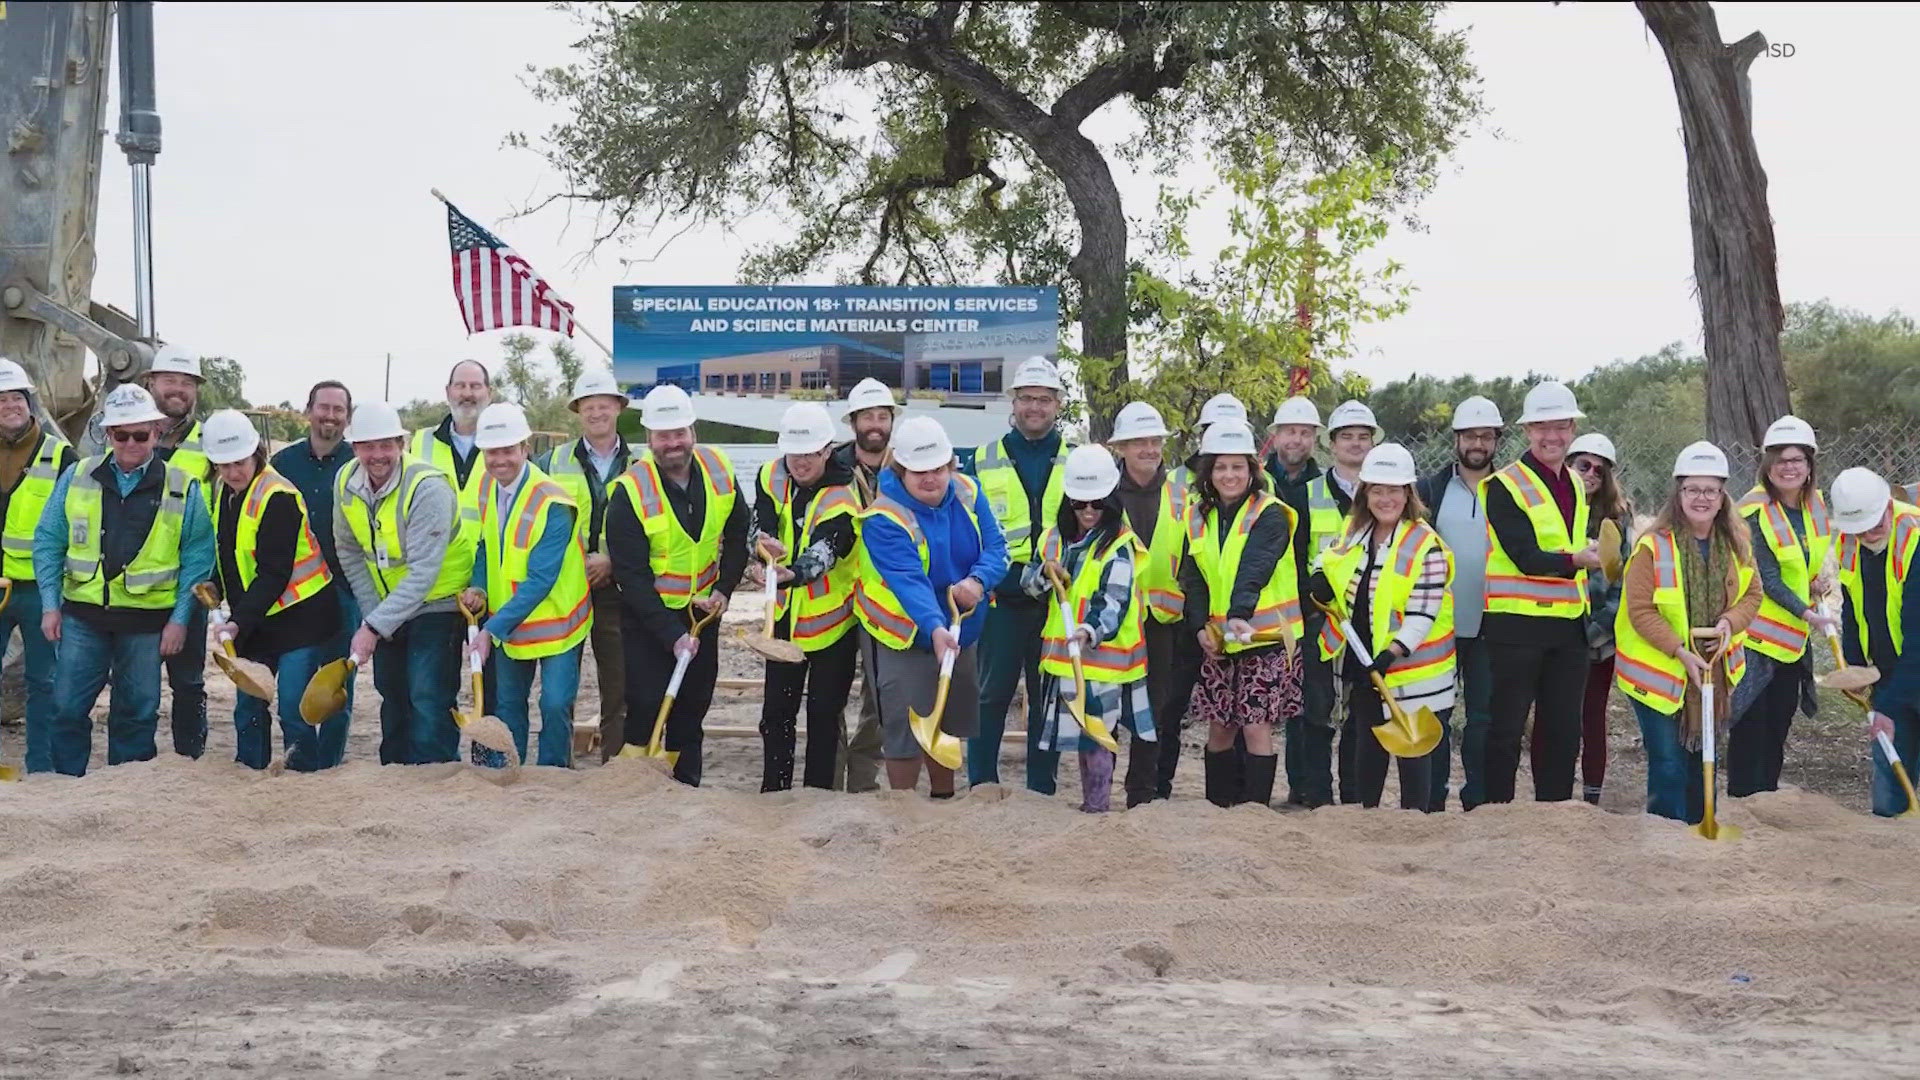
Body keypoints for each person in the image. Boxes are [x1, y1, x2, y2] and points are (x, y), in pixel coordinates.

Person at [35, 384, 213, 776]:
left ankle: (127, 791)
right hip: (83, 618)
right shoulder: (77, 475)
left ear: (157, 431)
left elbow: (198, 558)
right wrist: (50, 604)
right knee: (66, 708)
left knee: (136, 713)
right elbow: (48, 540)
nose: (131, 443)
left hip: (147, 624)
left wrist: (180, 619)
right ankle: (66, 787)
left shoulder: (182, 486)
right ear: (108, 434)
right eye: (121, 434)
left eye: (141, 434)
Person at [857, 416, 1007, 798]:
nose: (931, 479)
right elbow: (909, 582)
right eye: (919, 471)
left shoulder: (969, 492)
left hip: (961, 627)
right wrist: (934, 626)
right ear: (901, 470)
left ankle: (942, 802)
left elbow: (996, 548)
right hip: (903, 633)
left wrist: (977, 581)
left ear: (951, 465)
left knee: (950, 720)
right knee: (904, 724)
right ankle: (904, 807)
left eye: (939, 469)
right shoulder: (883, 518)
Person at [606, 384, 747, 786]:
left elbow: (738, 535)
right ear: (649, 438)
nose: (673, 443)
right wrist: (671, 635)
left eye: (679, 433)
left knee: (691, 707)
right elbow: (630, 577)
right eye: (663, 435)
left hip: (702, 612)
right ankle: (636, 785)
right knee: (646, 702)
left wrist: (725, 589)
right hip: (647, 619)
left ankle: (687, 789)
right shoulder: (629, 492)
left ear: (693, 431)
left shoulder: (719, 469)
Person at [1612, 442, 1760, 823]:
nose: (1701, 498)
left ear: (1722, 495)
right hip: (1660, 674)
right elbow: (1640, 609)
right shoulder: (1652, 546)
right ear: (1677, 494)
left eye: (1710, 490)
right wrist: (1680, 652)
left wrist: (1729, 622)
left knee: (1702, 757)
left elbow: (1753, 594)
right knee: (1669, 762)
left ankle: (1700, 830)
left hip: (1712, 670)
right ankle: (1666, 836)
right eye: (1692, 489)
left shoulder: (1736, 543)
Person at [1479, 381, 1604, 806]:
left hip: (1567, 628)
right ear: (1527, 431)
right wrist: (1578, 560)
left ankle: (1552, 813)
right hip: (1515, 627)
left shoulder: (1575, 482)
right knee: (1506, 729)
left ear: (1573, 430)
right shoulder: (1503, 485)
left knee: (1563, 730)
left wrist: (1585, 557)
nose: (1552, 436)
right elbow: (1524, 556)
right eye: (1542, 427)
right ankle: (1496, 812)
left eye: (1561, 426)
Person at [1309, 444, 1453, 811]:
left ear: (1408, 494)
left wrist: (1391, 654)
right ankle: (1367, 818)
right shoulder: (1355, 530)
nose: (1385, 498)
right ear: (1365, 493)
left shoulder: (1426, 545)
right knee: (1368, 741)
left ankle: (1414, 821)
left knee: (1412, 751)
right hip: (1362, 658)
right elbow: (1325, 560)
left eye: (1394, 490)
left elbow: (1424, 613)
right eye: (1377, 490)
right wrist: (1318, 577)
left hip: (1412, 669)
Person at [333, 401, 476, 765]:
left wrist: (374, 626)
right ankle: (394, 774)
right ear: (354, 448)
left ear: (402, 444)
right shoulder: (346, 482)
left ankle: (435, 773)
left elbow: (424, 573)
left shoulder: (427, 488)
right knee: (392, 692)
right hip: (389, 607)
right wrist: (374, 616)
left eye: (386, 445)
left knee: (427, 695)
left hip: (438, 601)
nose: (377, 455)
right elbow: (350, 553)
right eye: (368, 446)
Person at [201, 410, 344, 771]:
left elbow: (275, 571)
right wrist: (215, 584)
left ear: (256, 453)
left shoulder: (277, 495)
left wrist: (237, 622)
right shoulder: (226, 491)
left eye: (239, 463)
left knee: (294, 705)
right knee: (249, 702)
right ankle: (249, 770)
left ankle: (302, 774)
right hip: (257, 617)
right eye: (223, 465)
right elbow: (230, 551)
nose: (233, 472)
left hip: (301, 616)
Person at [962, 356, 1073, 794]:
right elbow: (969, 528)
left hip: (1055, 598)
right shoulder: (985, 458)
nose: (1035, 407)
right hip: (1000, 599)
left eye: (1044, 399)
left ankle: (1041, 789)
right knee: (991, 695)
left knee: (1048, 697)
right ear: (1013, 401)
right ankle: (982, 783)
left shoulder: (1076, 459)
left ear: (1058, 404)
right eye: (1027, 398)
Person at [1180, 418, 1302, 809]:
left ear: (1252, 470)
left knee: (1255, 724)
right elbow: (1193, 577)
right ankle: (1219, 806)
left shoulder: (1271, 513)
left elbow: (1257, 565)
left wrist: (1238, 614)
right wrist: (1200, 625)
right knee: (1220, 725)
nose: (1228, 475)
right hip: (1221, 639)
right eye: (1220, 466)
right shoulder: (1198, 515)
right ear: (1208, 472)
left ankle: (1255, 812)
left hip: (1264, 637)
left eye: (1237, 466)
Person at [1024, 444, 1153, 812]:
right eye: (1080, 505)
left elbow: (1114, 600)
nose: (1089, 512)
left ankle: (1097, 806)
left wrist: (1091, 630)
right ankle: (1088, 803)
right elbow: (1028, 585)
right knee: (1084, 739)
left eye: (1097, 504)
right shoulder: (1052, 538)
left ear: (1111, 501)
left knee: (1098, 737)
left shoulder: (1120, 545)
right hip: (1065, 661)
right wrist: (1046, 575)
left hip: (1105, 661)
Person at [461, 403, 589, 769]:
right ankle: (508, 773)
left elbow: (541, 580)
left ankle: (553, 774)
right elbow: (487, 546)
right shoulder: (487, 487)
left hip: (557, 622)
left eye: (507, 450)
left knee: (554, 704)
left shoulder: (554, 502)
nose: (499, 460)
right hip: (511, 622)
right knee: (508, 704)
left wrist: (490, 630)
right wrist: (480, 587)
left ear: (524, 448)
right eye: (492, 452)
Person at [751, 403, 861, 792]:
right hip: (783, 619)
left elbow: (825, 553)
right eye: (794, 453)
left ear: (828, 450)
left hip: (833, 623)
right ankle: (775, 791)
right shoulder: (769, 476)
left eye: (811, 453)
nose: (801, 462)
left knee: (823, 715)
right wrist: (761, 547)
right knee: (776, 713)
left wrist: (790, 573)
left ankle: (817, 796)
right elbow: (760, 522)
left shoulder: (843, 498)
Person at [1730, 415, 1835, 799]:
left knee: (1778, 725)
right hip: (1756, 640)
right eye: (1781, 459)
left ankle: (1768, 797)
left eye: (1797, 460)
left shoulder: (1815, 506)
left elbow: (1797, 562)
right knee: (1750, 725)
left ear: (1810, 464)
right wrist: (1809, 613)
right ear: (1767, 464)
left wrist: (1811, 584)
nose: (1789, 467)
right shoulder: (1753, 511)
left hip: (1791, 641)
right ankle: (1743, 799)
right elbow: (1766, 577)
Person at [538, 369, 632, 761]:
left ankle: (615, 768)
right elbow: (536, 524)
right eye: (588, 406)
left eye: (603, 405)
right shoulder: (549, 462)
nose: (596, 413)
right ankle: (557, 768)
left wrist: (613, 561)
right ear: (578, 412)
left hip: (619, 589)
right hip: (566, 590)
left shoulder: (643, 464)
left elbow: (652, 530)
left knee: (620, 687)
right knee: (558, 691)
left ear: (618, 409)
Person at [1415, 395, 1501, 811]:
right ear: (1456, 439)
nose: (1478, 443)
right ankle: (1432, 800)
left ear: (1497, 441)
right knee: (1436, 714)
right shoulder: (1429, 490)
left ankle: (1478, 801)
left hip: (1492, 624)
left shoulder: (1510, 490)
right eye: (1470, 435)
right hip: (1440, 625)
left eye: (1486, 435)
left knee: (1483, 719)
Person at [1541, 432, 1633, 805]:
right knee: (1551, 714)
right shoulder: (1550, 509)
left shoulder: (1617, 518)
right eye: (1583, 465)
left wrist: (1596, 631)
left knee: (1592, 715)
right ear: (1568, 464)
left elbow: (1618, 582)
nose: (1591, 473)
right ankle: (1550, 793)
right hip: (1553, 627)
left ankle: (1592, 792)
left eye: (1599, 468)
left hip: (1598, 636)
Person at [1108, 402, 1191, 807]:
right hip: (1110, 617)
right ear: (1121, 447)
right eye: (1139, 441)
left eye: (1155, 440)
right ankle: (1098, 788)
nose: (1149, 448)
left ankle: (1142, 792)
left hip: (1161, 618)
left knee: (1154, 710)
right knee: (1105, 707)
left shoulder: (1182, 495)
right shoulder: (1102, 493)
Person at [270, 380, 358, 741]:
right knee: (297, 684)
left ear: (348, 417)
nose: (330, 416)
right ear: (309, 412)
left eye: (339, 410)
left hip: (345, 588)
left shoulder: (359, 461)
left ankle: (331, 764)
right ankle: (300, 759)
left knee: (338, 684)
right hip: (297, 590)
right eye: (324, 407)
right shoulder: (282, 463)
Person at [1830, 468, 1920, 818]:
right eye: (1858, 529)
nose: (1868, 534)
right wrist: (1856, 670)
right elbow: (1853, 609)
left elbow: (1917, 640)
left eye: (1875, 523)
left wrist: (1887, 706)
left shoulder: (1915, 539)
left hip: (1912, 664)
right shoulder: (1850, 542)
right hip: (1889, 673)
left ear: (1888, 503)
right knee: (1889, 792)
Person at [0, 357, 76, 774]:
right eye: (1, 399)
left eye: (16, 397)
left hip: (39, 589)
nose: (9, 405)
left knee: (43, 682)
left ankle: (41, 767)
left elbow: (80, 518)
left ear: (30, 403)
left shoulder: (60, 456)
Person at [1305, 400, 1381, 805]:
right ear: (1331, 444)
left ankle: (1355, 796)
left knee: (1361, 711)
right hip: (1320, 619)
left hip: (1368, 619)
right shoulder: (1309, 494)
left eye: (1363, 437)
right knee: (1316, 710)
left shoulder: (1388, 494)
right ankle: (1316, 795)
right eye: (1347, 437)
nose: (1355, 444)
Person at [829, 376, 897, 792]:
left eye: (883, 416)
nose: (875, 424)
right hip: (838, 596)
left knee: (882, 694)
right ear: (853, 421)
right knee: (831, 692)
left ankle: (864, 775)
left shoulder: (910, 465)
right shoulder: (832, 467)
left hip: (887, 598)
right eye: (867, 416)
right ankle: (831, 774)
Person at [1266, 395, 1333, 808]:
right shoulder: (1255, 480)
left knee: (1306, 703)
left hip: (1305, 607)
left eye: (1305, 433)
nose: (1297, 439)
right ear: (1274, 437)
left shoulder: (1321, 488)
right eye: (1290, 431)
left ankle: (1304, 788)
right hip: (1259, 603)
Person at [145, 345, 212, 760]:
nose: (178, 390)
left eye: (187, 383)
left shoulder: (210, 443)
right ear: (150, 383)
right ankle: (137, 760)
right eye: (170, 380)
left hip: (190, 581)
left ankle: (191, 758)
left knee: (188, 679)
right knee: (138, 679)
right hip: (132, 583)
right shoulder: (126, 433)